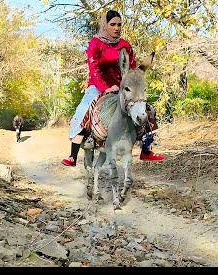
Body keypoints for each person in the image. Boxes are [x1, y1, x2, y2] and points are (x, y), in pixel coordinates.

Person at [61, 10, 164, 167]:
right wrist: (105, 88)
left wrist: (131, 85)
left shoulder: (125, 45)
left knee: (147, 108)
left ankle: (146, 149)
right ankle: (73, 154)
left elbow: (132, 68)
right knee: (84, 109)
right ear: (105, 25)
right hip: (97, 86)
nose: (116, 28)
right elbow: (93, 69)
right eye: (113, 24)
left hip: (122, 86)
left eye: (119, 25)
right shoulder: (95, 44)